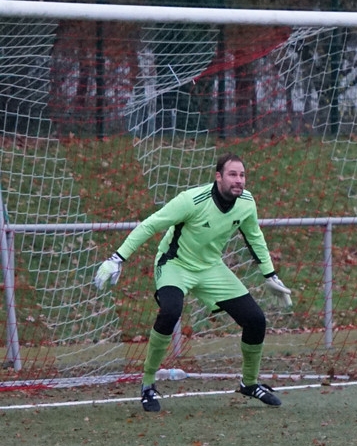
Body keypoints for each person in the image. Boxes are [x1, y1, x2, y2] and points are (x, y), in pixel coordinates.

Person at [93, 153, 292, 412]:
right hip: (175, 264)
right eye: (232, 174)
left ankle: (250, 384)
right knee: (170, 312)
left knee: (256, 320)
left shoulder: (246, 202)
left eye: (242, 175)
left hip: (211, 268)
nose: (239, 180)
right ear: (218, 176)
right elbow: (151, 225)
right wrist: (117, 258)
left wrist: (270, 274)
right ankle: (147, 384)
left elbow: (255, 237)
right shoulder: (191, 200)